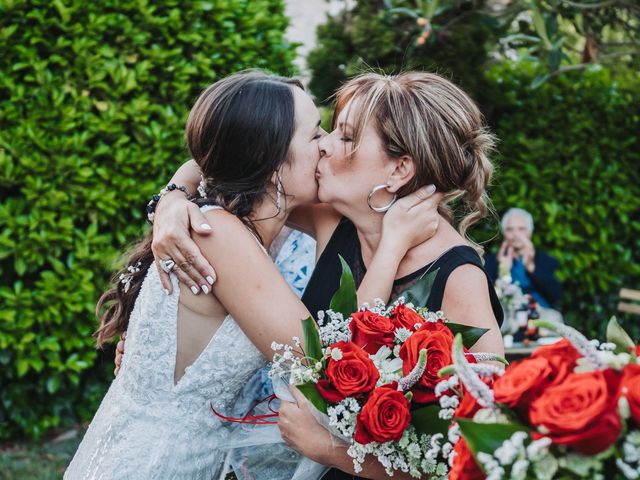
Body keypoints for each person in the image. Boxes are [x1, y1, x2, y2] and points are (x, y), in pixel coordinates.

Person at [66, 71, 440, 480]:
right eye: (316, 135)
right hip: (154, 464)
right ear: (272, 161)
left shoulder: (240, 222)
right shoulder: (219, 234)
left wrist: (172, 194)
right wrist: (392, 247)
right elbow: (326, 368)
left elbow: (204, 160)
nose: (328, 146)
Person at [149, 72, 505, 479]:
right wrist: (171, 200)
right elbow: (235, 155)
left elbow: (486, 456)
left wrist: (333, 451)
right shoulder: (335, 221)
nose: (325, 146)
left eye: (346, 136)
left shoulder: (458, 277)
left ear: (399, 168)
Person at [485, 208, 563, 323]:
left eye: (521, 229)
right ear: (503, 233)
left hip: (539, 313)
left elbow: (556, 295)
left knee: (554, 319)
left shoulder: (544, 259)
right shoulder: (492, 261)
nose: (515, 234)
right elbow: (487, 295)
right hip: (507, 315)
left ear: (530, 232)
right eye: (510, 229)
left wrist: (531, 267)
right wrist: (499, 267)